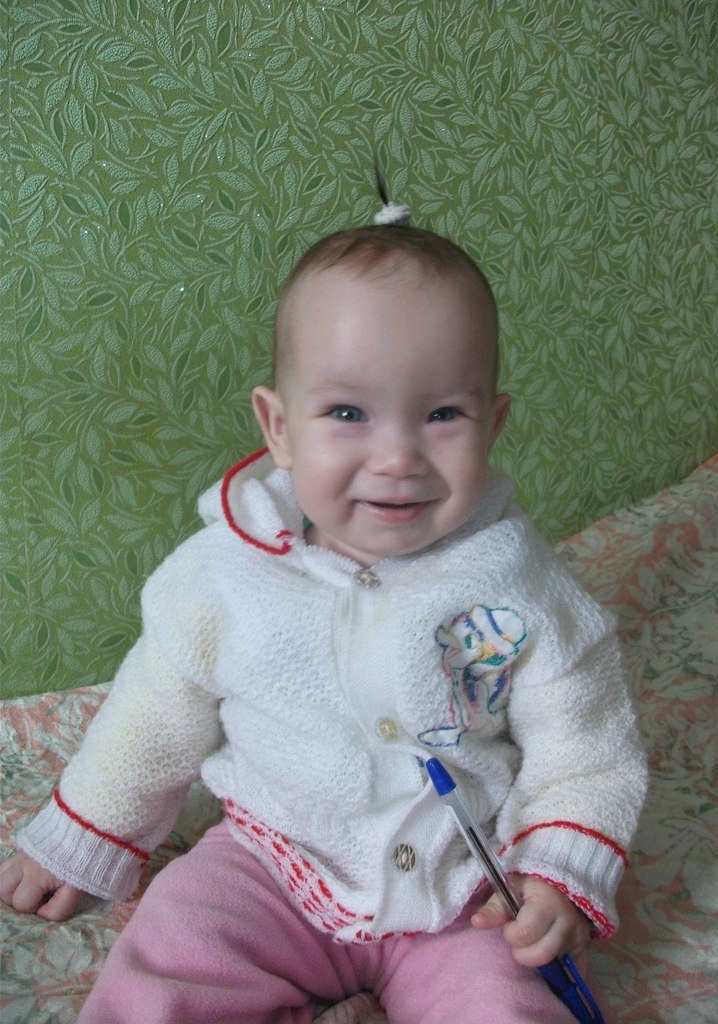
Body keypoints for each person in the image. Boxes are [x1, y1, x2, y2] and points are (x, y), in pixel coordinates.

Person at [0, 187, 647, 1024]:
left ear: (492, 426)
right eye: (347, 412)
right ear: (278, 427)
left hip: (462, 885)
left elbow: (586, 736)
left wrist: (558, 863)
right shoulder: (225, 573)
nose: (397, 457)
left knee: (507, 1001)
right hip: (271, 862)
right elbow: (154, 715)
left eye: (442, 414)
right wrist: (86, 833)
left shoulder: (516, 577)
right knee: (171, 956)